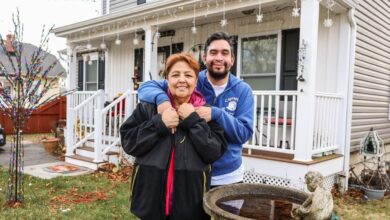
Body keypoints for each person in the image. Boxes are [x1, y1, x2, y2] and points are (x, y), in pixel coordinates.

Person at [138, 32, 254, 188]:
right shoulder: (190, 79)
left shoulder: (243, 90)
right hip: (193, 174)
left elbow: (244, 134)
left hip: (228, 176)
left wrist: (216, 113)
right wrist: (162, 100)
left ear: (232, 60)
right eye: (213, 53)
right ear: (205, 58)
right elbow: (145, 88)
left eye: (225, 53)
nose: (219, 58)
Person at [120, 53, 227, 219]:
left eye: (188, 75)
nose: (182, 80)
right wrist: (159, 124)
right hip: (150, 203)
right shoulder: (148, 108)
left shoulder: (205, 112)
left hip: (191, 206)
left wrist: (193, 121)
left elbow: (214, 151)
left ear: (196, 82)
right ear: (167, 80)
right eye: (175, 75)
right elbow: (129, 142)